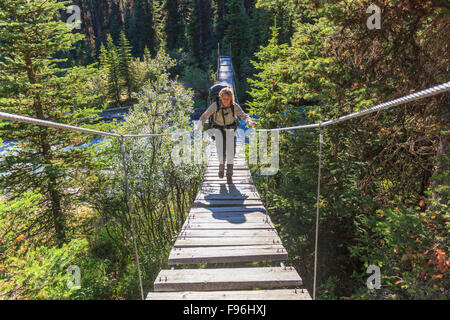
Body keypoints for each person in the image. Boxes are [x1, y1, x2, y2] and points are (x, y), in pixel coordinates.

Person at [194, 87, 256, 183]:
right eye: (224, 99)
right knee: (221, 153)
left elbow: (244, 115)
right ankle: (221, 167)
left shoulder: (234, 106)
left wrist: (249, 122)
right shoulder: (215, 105)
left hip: (231, 130)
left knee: (231, 154)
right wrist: (198, 127)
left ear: (231, 98)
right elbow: (205, 115)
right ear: (221, 97)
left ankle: (229, 175)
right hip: (218, 130)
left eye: (228, 99)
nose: (226, 101)